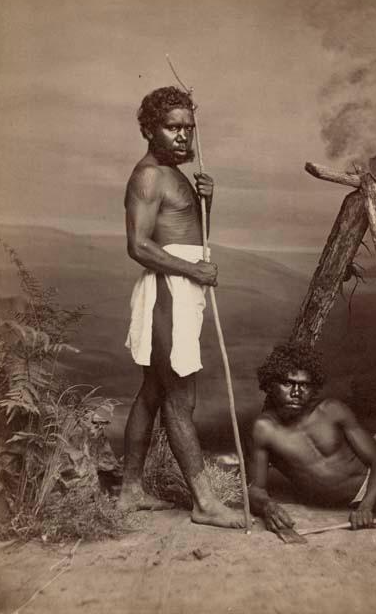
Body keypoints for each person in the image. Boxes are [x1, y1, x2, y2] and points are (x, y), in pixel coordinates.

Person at [120, 86, 244, 528]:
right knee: (179, 397)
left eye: (188, 129)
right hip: (169, 292)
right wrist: (194, 272)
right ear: (149, 129)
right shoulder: (149, 176)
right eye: (172, 127)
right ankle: (205, 503)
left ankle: (130, 490)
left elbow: (182, 228)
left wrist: (206, 200)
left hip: (181, 290)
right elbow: (138, 245)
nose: (182, 137)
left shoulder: (175, 173)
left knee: (153, 391)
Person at [248, 343, 376, 533]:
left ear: (313, 388)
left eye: (304, 385)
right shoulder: (263, 429)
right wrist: (268, 507)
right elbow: (255, 489)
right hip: (344, 502)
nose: (296, 393)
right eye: (287, 383)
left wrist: (366, 507)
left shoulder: (331, 410)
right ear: (271, 385)